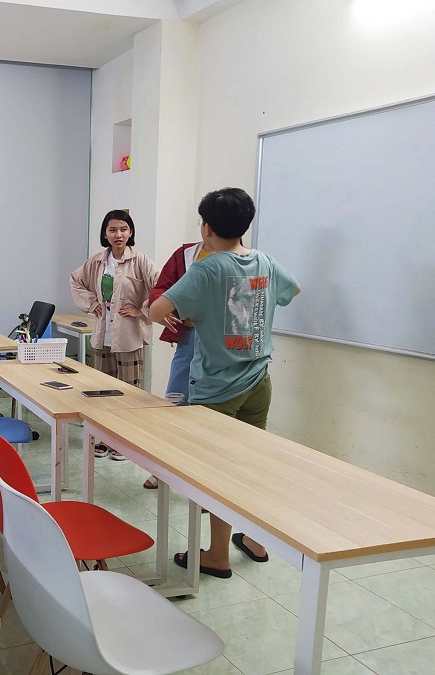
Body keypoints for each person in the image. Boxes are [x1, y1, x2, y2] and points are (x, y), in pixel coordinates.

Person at [148, 187, 299, 578]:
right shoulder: (264, 260)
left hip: (217, 388)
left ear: (207, 228)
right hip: (258, 381)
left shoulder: (207, 268)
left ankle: (217, 555)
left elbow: (156, 310)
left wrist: (195, 312)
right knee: (250, 465)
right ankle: (255, 540)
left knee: (218, 474)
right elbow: (292, 290)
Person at [70, 210, 159, 460]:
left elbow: (162, 286)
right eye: (112, 230)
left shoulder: (140, 260)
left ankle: (125, 442)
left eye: (123, 229)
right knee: (101, 392)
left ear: (130, 232)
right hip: (102, 338)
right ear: (105, 234)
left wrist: (141, 311)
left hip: (129, 338)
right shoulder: (97, 261)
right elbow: (75, 280)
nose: (118, 234)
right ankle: (102, 438)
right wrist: (92, 303)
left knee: (128, 393)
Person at [141, 240, 210, 489]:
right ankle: (163, 469)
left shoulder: (244, 259)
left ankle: (206, 481)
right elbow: (161, 288)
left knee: (212, 412)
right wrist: (163, 309)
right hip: (190, 337)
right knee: (175, 402)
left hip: (223, 345)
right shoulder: (188, 253)